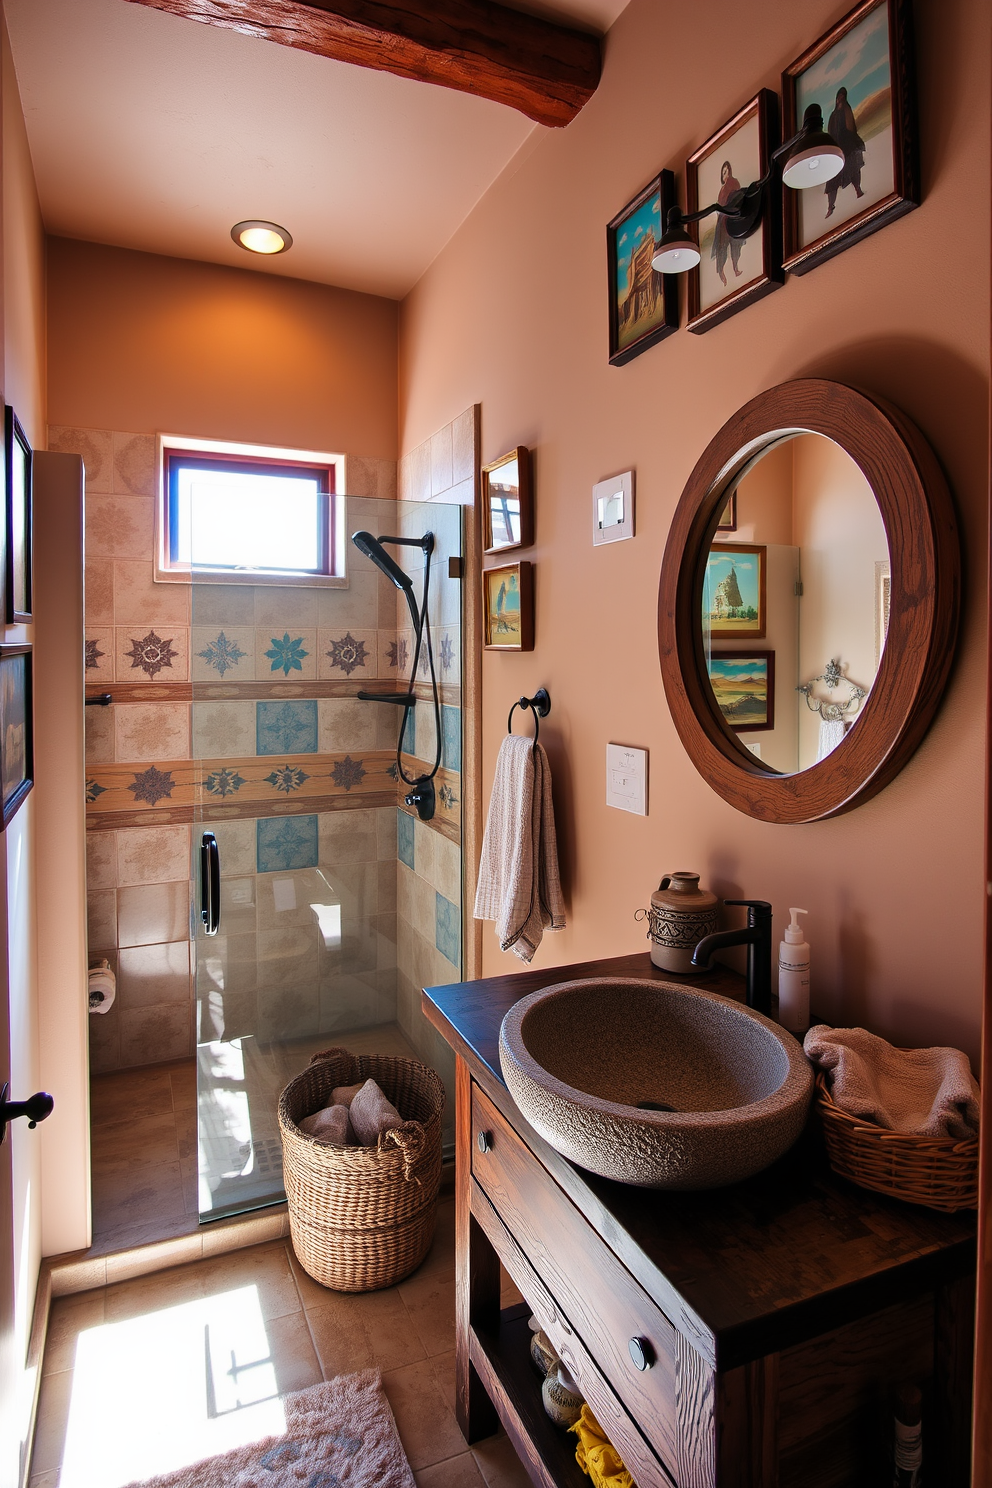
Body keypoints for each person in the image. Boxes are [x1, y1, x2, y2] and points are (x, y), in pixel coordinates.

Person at [824, 86, 866, 219]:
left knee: (853, 169)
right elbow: (831, 132)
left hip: (848, 146)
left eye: (843, 96)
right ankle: (831, 206)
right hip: (837, 150)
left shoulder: (847, 110)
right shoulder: (833, 115)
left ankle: (858, 190)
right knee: (832, 180)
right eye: (839, 96)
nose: (840, 99)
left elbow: (851, 128)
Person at [711, 160, 745, 286]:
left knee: (735, 244)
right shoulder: (722, 189)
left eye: (726, 171)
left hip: (731, 218)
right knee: (722, 247)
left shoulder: (733, 182)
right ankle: (722, 272)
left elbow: (737, 198)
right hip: (722, 222)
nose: (725, 174)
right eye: (723, 172)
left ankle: (735, 268)